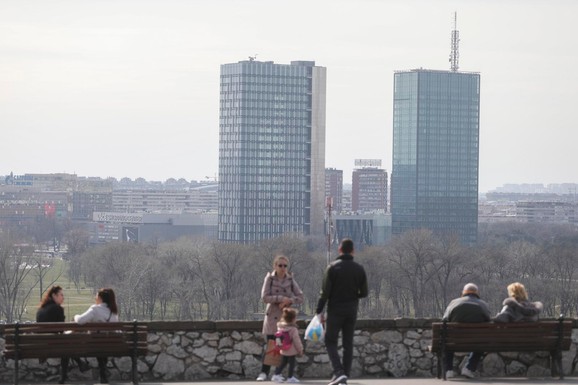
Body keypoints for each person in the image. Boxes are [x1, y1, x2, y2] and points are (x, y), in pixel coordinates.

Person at [315, 238, 368, 385]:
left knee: (330, 340)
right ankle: (344, 374)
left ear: (339, 249)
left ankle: (338, 371)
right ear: (353, 251)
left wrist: (319, 310)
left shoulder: (332, 268)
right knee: (348, 343)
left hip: (335, 309)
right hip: (351, 310)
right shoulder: (359, 269)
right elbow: (364, 293)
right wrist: (353, 296)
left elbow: (325, 292)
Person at [256, 255, 304, 381]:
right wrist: (280, 299)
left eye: (285, 265)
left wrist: (289, 300)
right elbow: (264, 297)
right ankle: (264, 372)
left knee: (286, 346)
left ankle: (278, 373)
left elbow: (300, 297)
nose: (283, 268)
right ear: (275, 266)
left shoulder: (290, 279)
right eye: (280, 265)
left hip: (285, 318)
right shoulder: (270, 278)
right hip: (273, 316)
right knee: (272, 345)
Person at [36, 285, 89, 384]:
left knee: (66, 344)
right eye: (61, 295)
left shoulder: (40, 310)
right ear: (54, 295)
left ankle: (74, 368)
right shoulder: (58, 309)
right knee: (67, 345)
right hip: (55, 345)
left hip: (42, 346)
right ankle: (67, 373)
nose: (63, 297)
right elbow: (62, 330)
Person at [442, 283, 491, 379]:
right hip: (475, 341)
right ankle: (469, 368)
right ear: (477, 293)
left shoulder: (454, 303)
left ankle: (448, 370)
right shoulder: (483, 304)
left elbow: (444, 320)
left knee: (446, 342)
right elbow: (488, 320)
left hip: (454, 341)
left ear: (463, 293)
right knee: (481, 343)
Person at [74, 288, 119, 384]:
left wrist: (76, 316)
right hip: (111, 346)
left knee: (97, 341)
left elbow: (80, 320)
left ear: (100, 298)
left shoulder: (95, 309)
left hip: (94, 345)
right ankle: (103, 371)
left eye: (96, 296)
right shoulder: (114, 312)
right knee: (102, 343)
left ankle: (103, 370)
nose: (95, 298)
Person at [271, 307, 304, 383]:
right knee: (292, 364)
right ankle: (290, 377)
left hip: (283, 349)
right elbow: (297, 341)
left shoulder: (280, 327)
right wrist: (300, 349)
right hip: (291, 350)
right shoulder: (293, 329)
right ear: (293, 319)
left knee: (283, 363)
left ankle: (276, 374)